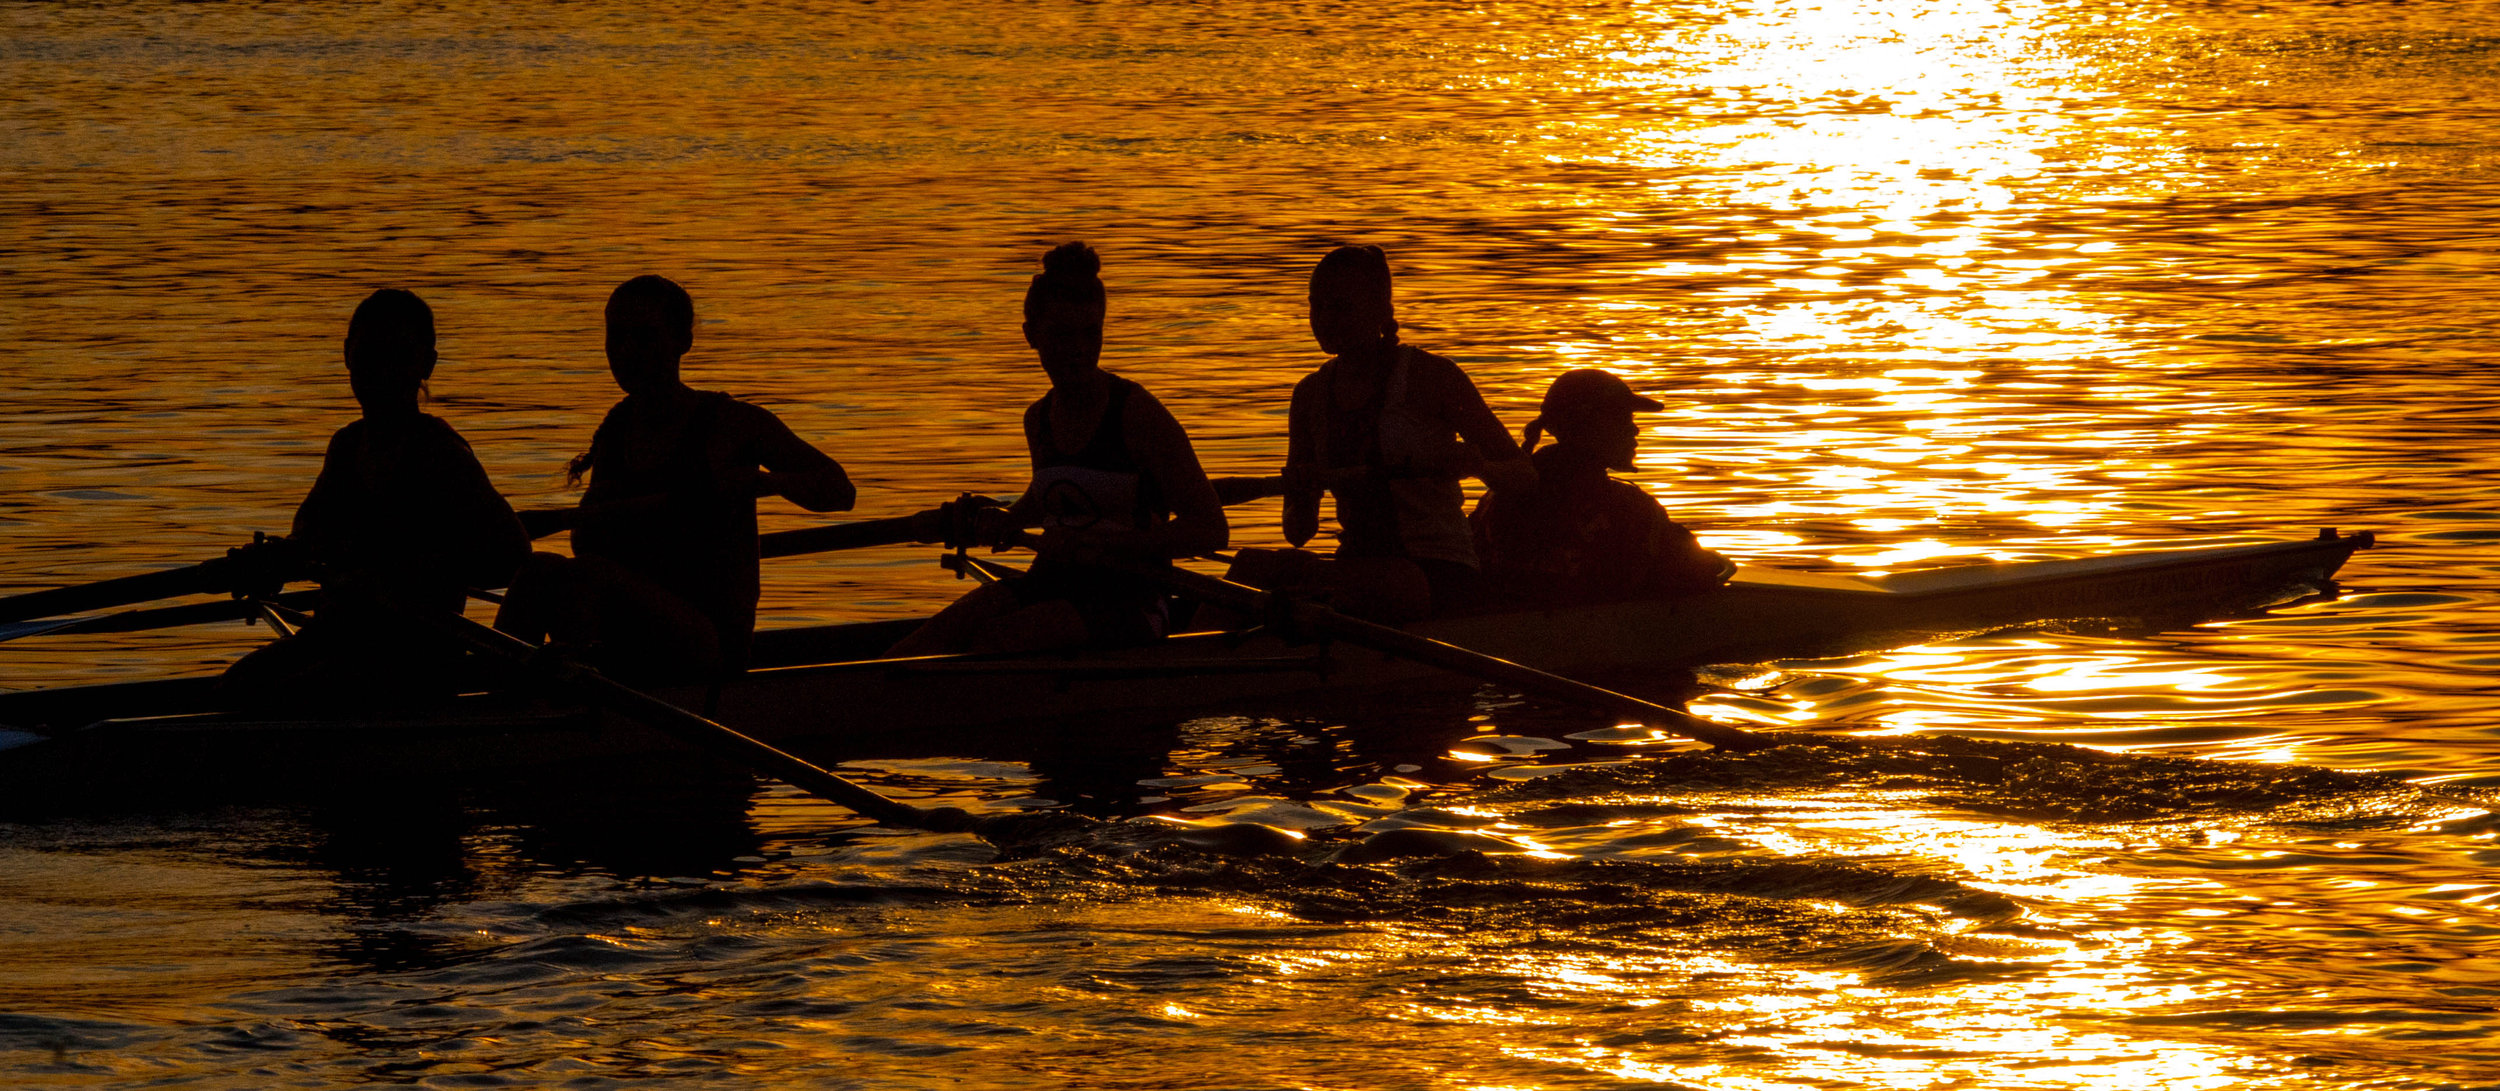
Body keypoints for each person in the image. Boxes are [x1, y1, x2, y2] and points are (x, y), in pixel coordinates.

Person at [495, 275, 854, 680]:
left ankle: (576, 708)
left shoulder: (731, 423)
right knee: (537, 570)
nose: (628, 352)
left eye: (645, 337)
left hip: (708, 643)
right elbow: (588, 542)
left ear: (683, 340)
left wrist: (768, 484)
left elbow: (840, 490)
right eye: (617, 337)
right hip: (631, 629)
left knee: (585, 576)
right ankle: (494, 700)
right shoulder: (617, 427)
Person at [888, 243, 1227, 656]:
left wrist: (1107, 547)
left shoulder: (1136, 413)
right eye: (1063, 334)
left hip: (1130, 598)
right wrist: (1004, 519)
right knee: (927, 641)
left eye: (1091, 332)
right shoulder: (1038, 419)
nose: (1080, 348)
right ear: (1031, 335)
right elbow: (1053, 495)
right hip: (1052, 579)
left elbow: (1211, 528)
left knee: (997, 640)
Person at [217, 288, 530, 706]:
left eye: (397, 355)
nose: (380, 370)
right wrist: (267, 563)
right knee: (233, 688)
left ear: (426, 365)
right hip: (334, 637)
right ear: (347, 355)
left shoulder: (440, 452)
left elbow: (512, 556)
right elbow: (308, 542)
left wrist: (406, 568)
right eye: (368, 354)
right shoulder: (347, 446)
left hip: (414, 652)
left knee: (277, 697)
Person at [1276, 244, 1536, 620]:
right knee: (1254, 567)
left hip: (1438, 570)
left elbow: (1525, 476)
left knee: (1377, 581)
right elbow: (1298, 533)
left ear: (1382, 312)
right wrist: (1301, 493)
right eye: (1317, 306)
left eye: (1341, 307)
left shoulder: (1434, 378)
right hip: (1358, 570)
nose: (1325, 319)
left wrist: (1479, 466)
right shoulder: (1309, 395)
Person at [1471, 368, 1727, 606]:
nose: (1634, 429)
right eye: (1622, 419)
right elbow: (1698, 572)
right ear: (1588, 424)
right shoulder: (1628, 506)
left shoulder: (1496, 496)